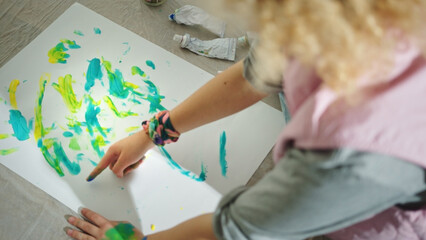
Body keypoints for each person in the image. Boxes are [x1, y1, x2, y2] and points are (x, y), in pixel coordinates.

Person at [64, 0, 426, 239]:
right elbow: (255, 75)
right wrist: (153, 133)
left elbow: (240, 229)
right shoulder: (328, 14)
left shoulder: (353, 141)